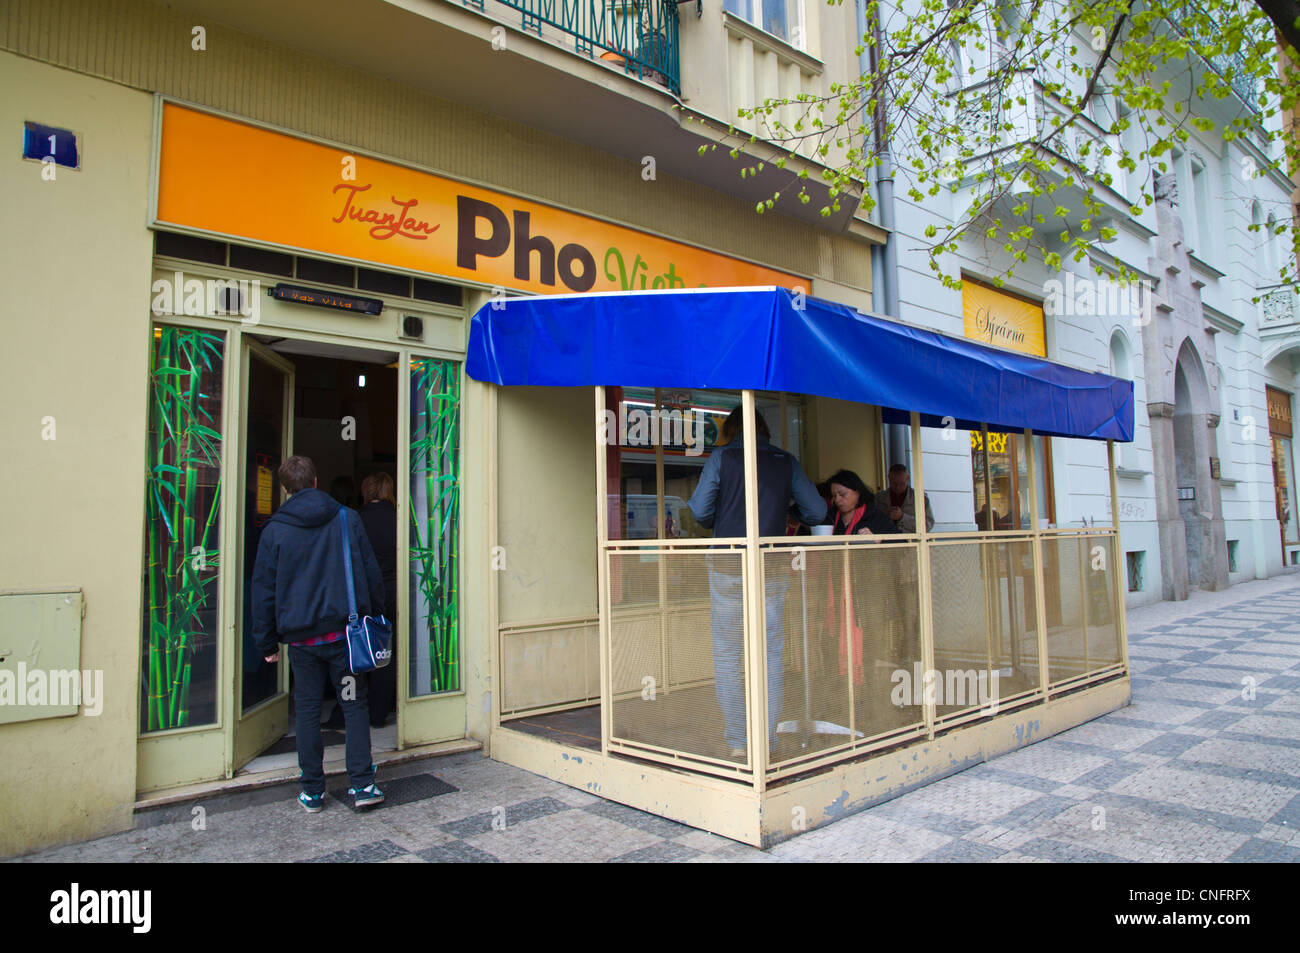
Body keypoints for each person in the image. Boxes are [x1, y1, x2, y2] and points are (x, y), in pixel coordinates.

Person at [688, 407, 827, 759]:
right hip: (772, 566)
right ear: (765, 430)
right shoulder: (785, 460)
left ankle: (738, 740)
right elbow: (817, 511)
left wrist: (724, 511)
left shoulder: (721, 457)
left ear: (731, 429)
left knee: (728, 653)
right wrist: (787, 513)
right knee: (770, 655)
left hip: (727, 566)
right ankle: (765, 742)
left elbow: (700, 511)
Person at [251, 455, 387, 813]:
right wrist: (374, 617)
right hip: (345, 636)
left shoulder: (274, 531)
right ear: (315, 481)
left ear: (285, 489)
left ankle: (312, 790)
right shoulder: (347, 519)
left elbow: (263, 591)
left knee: (308, 710)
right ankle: (363, 785)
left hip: (301, 641)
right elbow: (370, 573)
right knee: (354, 706)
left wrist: (266, 643)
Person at [824, 469, 895, 686]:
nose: (838, 500)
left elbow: (901, 544)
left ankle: (867, 685)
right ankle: (843, 682)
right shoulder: (831, 519)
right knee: (834, 637)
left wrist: (879, 540)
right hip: (837, 589)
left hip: (865, 591)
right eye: (834, 495)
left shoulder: (874, 517)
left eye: (842, 494)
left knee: (869, 641)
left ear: (857, 492)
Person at [359, 472, 398, 729]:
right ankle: (387, 706)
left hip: (366, 592)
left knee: (362, 649)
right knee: (391, 651)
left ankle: (363, 708)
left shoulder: (356, 519)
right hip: (395, 590)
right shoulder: (400, 518)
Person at [875, 463, 935, 534]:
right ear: (889, 478)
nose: (898, 487)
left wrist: (902, 517)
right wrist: (884, 514)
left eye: (902, 484)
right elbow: (870, 522)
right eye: (894, 483)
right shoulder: (879, 498)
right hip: (885, 542)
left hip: (912, 543)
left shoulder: (920, 498)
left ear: (908, 478)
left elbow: (928, 525)